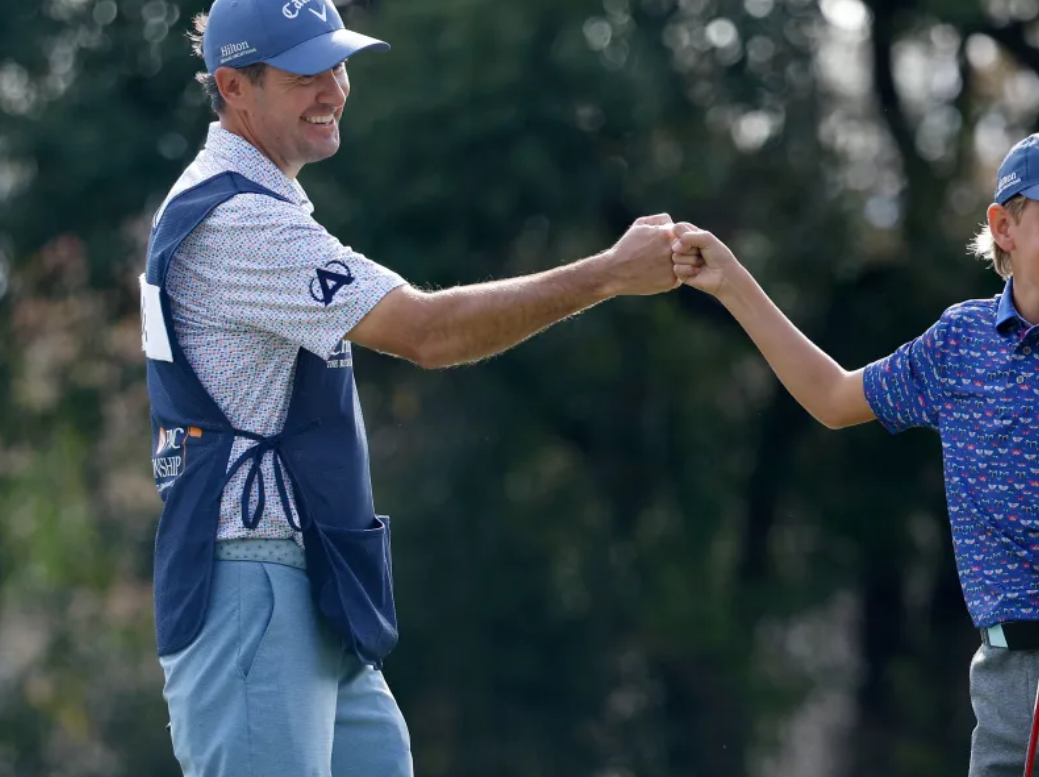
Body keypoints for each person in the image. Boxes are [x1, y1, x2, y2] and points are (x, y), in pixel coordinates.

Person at [139, 2, 680, 774]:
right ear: (233, 86)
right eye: (304, 74)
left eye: (339, 64)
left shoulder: (256, 205)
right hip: (249, 584)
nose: (333, 88)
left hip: (307, 575)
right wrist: (608, 274)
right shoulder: (238, 224)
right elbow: (428, 332)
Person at [669, 129, 1039, 776]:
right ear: (1004, 226)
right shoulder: (958, 342)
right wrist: (731, 285)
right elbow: (832, 398)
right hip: (1000, 671)